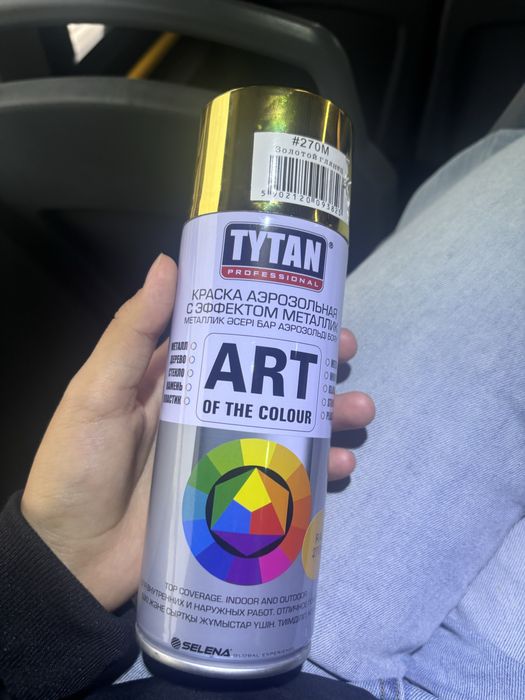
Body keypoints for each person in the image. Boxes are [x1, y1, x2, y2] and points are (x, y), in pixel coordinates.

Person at [1, 125, 524, 699]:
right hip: (279, 667)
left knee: (495, 156)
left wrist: (53, 566)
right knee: (506, 166)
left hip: (109, 644)